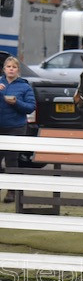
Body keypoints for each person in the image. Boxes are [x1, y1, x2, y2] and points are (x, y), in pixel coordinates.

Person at [0, 56, 36, 203]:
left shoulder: (25, 86)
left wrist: (16, 103)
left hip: (16, 127)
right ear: (4, 69)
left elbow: (30, 107)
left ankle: (12, 191)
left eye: (14, 67)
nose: (11, 69)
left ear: (18, 70)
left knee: (11, 160)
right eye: (8, 67)